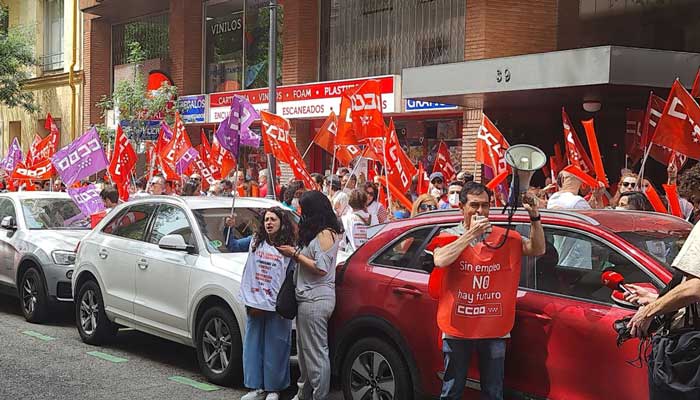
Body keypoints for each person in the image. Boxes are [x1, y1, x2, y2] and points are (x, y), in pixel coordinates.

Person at [432, 182, 545, 400]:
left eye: (485, 205)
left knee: (493, 391)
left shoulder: (503, 237)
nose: (480, 211)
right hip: (458, 326)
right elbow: (440, 259)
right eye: (474, 205)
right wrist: (470, 234)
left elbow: (537, 248)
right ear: (461, 208)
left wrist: (535, 218)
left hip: (493, 326)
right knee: (452, 389)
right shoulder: (449, 234)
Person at [276, 191, 343, 400]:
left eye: (303, 209)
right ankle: (303, 393)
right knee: (305, 354)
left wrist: (295, 255)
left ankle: (318, 395)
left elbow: (321, 268)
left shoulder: (325, 234)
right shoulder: (316, 232)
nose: (300, 212)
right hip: (307, 298)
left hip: (316, 299)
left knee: (316, 354)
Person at [236, 208, 297, 400]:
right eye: (266, 220)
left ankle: (274, 389)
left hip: (277, 304)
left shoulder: (289, 246)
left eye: (273, 219)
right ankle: (255, 387)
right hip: (256, 302)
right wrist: (228, 228)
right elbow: (233, 244)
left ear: (281, 223)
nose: (269, 223)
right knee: (253, 345)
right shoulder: (255, 241)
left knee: (276, 346)